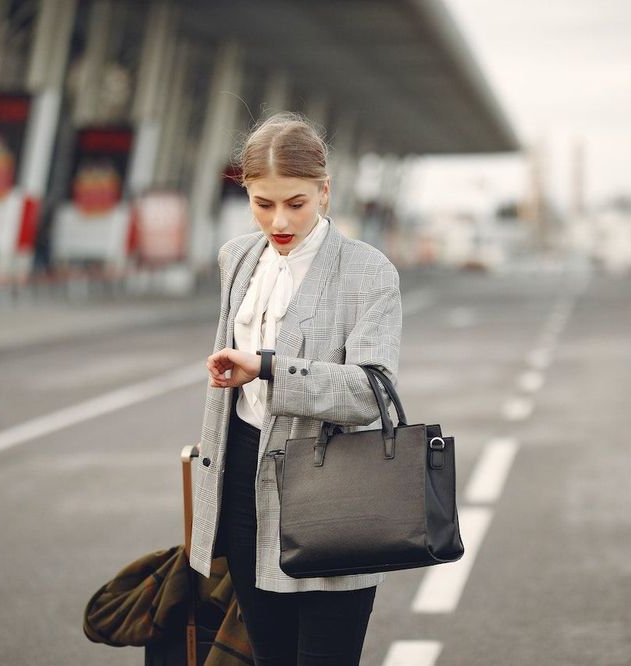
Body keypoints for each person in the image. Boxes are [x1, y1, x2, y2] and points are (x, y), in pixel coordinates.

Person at [190, 111, 402, 665]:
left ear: (324, 192)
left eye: (296, 203)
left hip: (333, 493)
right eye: (263, 203)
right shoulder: (236, 259)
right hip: (242, 485)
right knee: (269, 657)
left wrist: (267, 368)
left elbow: (368, 392)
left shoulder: (368, 272)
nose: (279, 219)